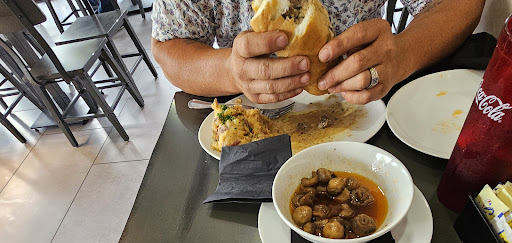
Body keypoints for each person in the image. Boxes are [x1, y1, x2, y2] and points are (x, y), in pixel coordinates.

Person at [151, 0, 485, 104]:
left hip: (367, 105)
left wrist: (404, 52)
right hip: (247, 124)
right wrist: (231, 71)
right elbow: (169, 45)